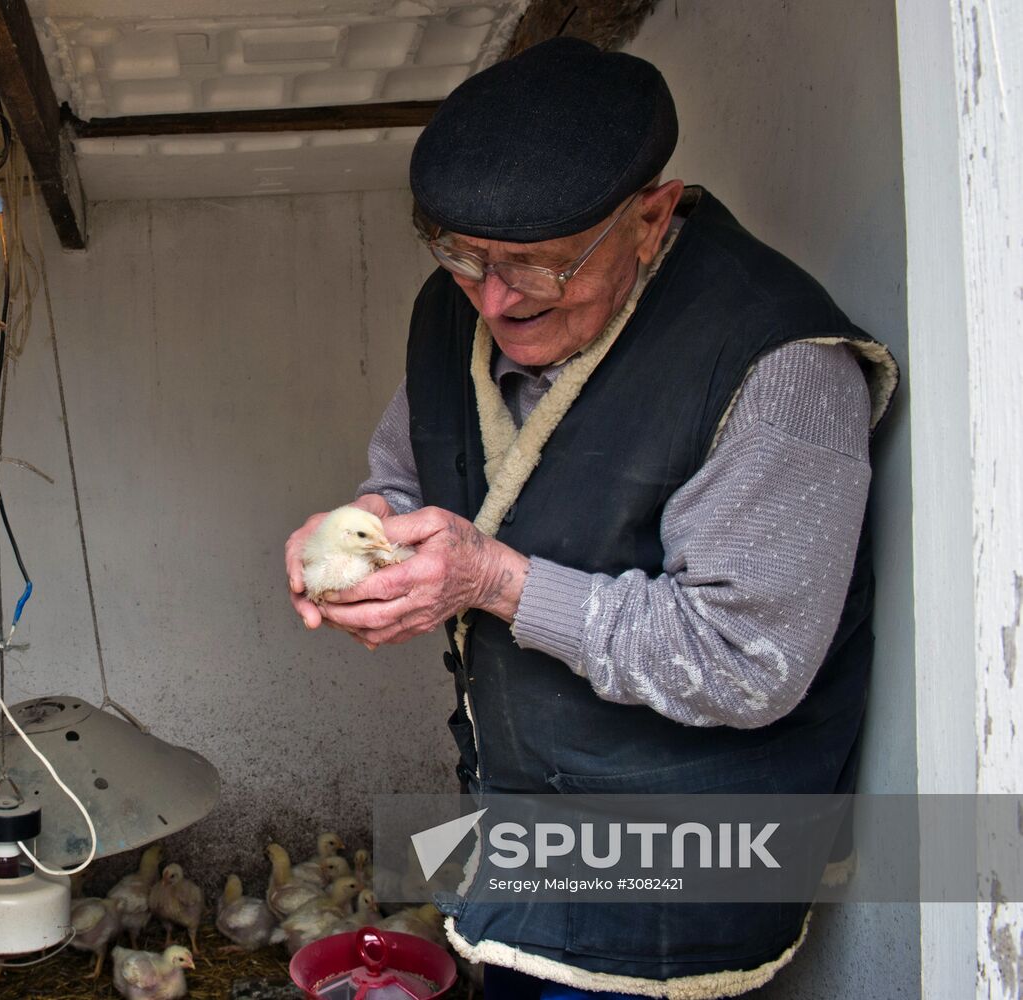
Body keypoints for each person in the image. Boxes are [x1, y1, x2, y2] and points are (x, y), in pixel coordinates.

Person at [284, 37, 898, 1000]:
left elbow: (746, 662)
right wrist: (363, 527)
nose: (492, 297)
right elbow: (410, 468)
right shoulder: (458, 309)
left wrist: (493, 580)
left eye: (535, 264)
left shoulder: (776, 366)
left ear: (650, 217)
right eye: (459, 257)